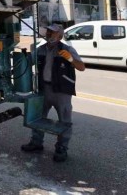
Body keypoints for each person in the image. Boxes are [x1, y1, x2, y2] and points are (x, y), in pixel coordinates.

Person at [21, 24, 85, 162]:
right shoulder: (41, 49)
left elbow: (81, 67)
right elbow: (27, 62)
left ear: (60, 36)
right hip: (44, 89)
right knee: (38, 117)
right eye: (48, 32)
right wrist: (23, 56)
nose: (49, 34)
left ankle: (62, 148)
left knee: (65, 121)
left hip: (61, 92)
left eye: (53, 33)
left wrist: (70, 59)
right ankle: (36, 142)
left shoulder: (67, 49)